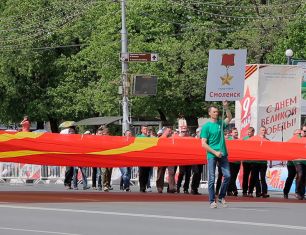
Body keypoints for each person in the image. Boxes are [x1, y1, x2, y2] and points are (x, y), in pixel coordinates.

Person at [201, 101, 232, 208]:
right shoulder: (206, 127)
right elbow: (203, 144)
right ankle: (211, 200)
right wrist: (214, 152)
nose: (216, 113)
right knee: (212, 178)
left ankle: (221, 196)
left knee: (227, 175)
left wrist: (226, 107)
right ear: (209, 113)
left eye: (217, 112)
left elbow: (229, 117)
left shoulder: (220, 123)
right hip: (212, 154)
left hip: (223, 153)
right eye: (214, 112)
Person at [156, 127, 177, 194]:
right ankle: (159, 187)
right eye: (169, 131)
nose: (170, 132)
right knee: (160, 173)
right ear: (164, 131)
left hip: (170, 158)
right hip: (161, 158)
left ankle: (171, 188)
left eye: (171, 131)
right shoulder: (160, 139)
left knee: (171, 172)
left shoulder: (172, 139)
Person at [283, 129, 300, 199]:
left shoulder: (302, 141)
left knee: (300, 178)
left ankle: (299, 193)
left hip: (300, 163)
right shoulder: (290, 141)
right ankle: (285, 192)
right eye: (298, 133)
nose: (299, 134)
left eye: (300, 133)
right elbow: (286, 151)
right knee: (290, 177)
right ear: (294, 134)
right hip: (291, 164)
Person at [241, 127, 256, 197]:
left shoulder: (256, 139)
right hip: (246, 161)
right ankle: (244, 191)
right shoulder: (244, 139)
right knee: (245, 176)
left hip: (253, 161)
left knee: (253, 177)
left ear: (253, 132)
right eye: (248, 132)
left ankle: (250, 192)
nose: (248, 133)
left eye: (250, 132)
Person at [137, 125, 152, 192]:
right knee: (141, 173)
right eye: (144, 129)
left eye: (146, 129)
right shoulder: (139, 137)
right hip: (141, 158)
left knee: (147, 173)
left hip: (148, 158)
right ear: (141, 130)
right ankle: (142, 187)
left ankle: (145, 186)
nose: (146, 130)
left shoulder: (150, 138)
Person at [227, 127, 240, 196]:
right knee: (230, 176)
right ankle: (233, 190)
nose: (236, 133)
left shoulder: (239, 140)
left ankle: (230, 190)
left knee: (234, 177)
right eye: (235, 132)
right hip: (230, 161)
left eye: (237, 132)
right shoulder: (228, 140)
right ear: (231, 133)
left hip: (237, 162)